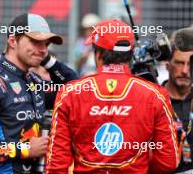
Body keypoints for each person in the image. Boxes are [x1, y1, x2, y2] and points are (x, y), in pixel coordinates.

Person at [46, 20, 179, 174]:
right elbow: (168, 162)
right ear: (130, 54)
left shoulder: (69, 93)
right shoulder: (156, 94)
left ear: (97, 54)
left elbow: (56, 164)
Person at [0, 13, 77, 174]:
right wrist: (25, 148)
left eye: (46, 44)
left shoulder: (34, 82)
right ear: (13, 40)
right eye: (36, 42)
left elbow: (74, 88)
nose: (43, 49)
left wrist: (46, 59)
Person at [162, 28, 193, 173]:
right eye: (179, 63)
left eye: (189, 64)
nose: (185, 71)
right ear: (167, 65)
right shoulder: (155, 100)